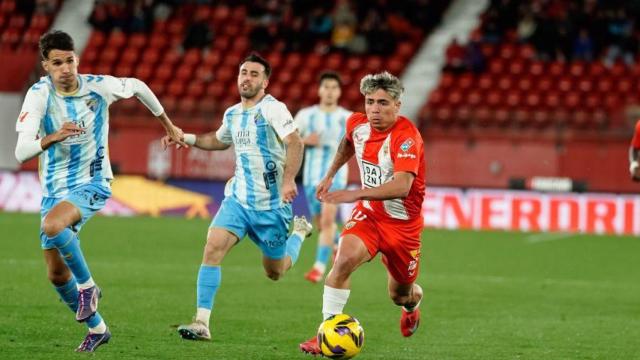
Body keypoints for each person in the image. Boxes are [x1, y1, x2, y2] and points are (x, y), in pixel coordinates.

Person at [13, 30, 185, 352]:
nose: (65, 68)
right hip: (54, 190)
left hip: (93, 182)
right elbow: (21, 152)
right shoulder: (39, 95)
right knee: (55, 275)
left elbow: (137, 86)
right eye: (57, 63)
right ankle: (98, 328)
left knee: (53, 225)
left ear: (76, 59)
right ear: (46, 67)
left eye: (69, 61)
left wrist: (168, 125)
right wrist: (52, 137)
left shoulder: (98, 86)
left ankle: (89, 287)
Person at [163, 53, 313, 341]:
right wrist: (188, 138)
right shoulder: (232, 113)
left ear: (265, 82)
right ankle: (202, 322)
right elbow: (219, 141)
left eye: (254, 74)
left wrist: (288, 180)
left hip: (272, 208)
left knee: (275, 271)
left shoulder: (273, 109)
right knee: (213, 247)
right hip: (238, 201)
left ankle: (299, 233)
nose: (247, 78)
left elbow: (295, 141)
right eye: (243, 72)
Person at [299, 71, 426, 355]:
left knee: (399, 294)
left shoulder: (406, 138)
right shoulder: (357, 123)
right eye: (370, 102)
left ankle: (413, 306)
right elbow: (347, 143)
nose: (374, 110)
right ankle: (325, 337)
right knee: (342, 261)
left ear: (397, 105)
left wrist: (354, 193)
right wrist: (331, 174)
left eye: (382, 103)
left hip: (402, 227)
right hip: (369, 215)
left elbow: (403, 186)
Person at [294, 71, 352, 283]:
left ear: (339, 92)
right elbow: (288, 140)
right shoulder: (305, 115)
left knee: (327, 221)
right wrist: (304, 141)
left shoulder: (347, 118)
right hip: (311, 178)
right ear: (319, 90)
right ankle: (338, 244)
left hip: (336, 177)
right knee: (322, 225)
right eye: (326, 87)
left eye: (333, 87)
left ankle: (318, 269)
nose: (329, 91)